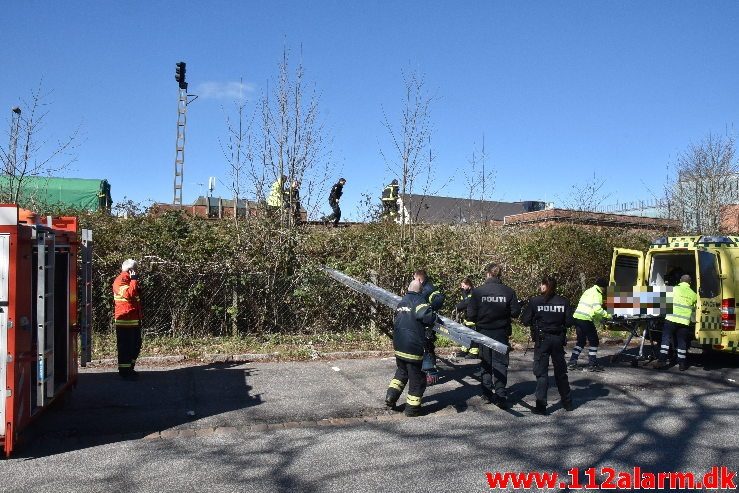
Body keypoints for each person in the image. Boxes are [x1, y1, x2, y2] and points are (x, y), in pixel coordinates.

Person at [466, 263, 521, 408]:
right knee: (500, 364)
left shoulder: (478, 292)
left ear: (488, 274)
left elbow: (470, 315)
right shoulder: (508, 292)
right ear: (499, 274)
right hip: (501, 332)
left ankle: (486, 393)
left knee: (485, 363)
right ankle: (501, 394)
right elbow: (516, 312)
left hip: (483, 332)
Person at [521, 275, 574, 414]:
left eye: (541, 284)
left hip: (542, 340)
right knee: (561, 373)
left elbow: (525, 320)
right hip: (557, 340)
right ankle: (567, 402)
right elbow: (569, 322)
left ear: (545, 286)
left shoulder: (535, 301)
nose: (540, 287)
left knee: (542, 373)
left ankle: (541, 406)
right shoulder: (563, 301)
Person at [385, 279, 439, 417]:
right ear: (420, 291)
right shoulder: (419, 301)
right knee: (417, 379)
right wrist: (433, 314)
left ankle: (391, 396)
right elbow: (427, 316)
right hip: (412, 347)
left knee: (402, 372)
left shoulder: (402, 302)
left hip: (399, 344)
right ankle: (412, 410)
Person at [568, 277, 611, 372]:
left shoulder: (589, 291)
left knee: (581, 341)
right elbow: (597, 309)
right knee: (594, 341)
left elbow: (591, 309)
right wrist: (608, 315)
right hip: (585, 319)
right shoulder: (597, 294)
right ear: (603, 287)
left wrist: (600, 320)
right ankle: (592, 364)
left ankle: (572, 362)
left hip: (577, 317)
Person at [657, 274, 697, 371]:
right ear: (690, 283)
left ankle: (662, 361)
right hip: (684, 322)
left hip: (671, 319)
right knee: (682, 342)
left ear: (680, 280)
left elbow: (664, 302)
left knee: (665, 340)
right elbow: (695, 309)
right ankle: (682, 364)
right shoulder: (693, 294)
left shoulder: (673, 289)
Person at [113, 259, 143, 380]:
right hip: (124, 321)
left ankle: (130, 368)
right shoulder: (120, 281)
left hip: (133, 320)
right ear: (131, 270)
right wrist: (134, 280)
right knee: (125, 347)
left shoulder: (130, 280)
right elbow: (129, 295)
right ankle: (124, 372)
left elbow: (135, 296)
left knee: (135, 344)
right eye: (135, 270)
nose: (137, 272)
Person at [413, 269, 445, 384]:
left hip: (427, 325)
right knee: (424, 348)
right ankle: (427, 373)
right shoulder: (423, 288)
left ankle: (432, 374)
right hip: (421, 324)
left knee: (428, 348)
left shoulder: (429, 288)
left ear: (419, 279)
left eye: (415, 279)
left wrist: (429, 309)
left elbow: (439, 298)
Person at [454, 277, 479, 358]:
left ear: (468, 285)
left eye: (463, 286)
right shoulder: (465, 292)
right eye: (461, 286)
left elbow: (467, 302)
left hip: (473, 319)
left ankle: (474, 353)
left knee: (473, 335)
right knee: (465, 334)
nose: (462, 288)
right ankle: (464, 349)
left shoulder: (473, 292)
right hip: (466, 317)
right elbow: (463, 302)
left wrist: (457, 306)